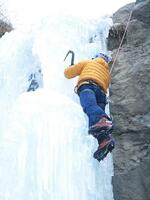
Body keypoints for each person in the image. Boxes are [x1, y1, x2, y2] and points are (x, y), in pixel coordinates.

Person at [64, 53, 115, 162]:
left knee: (90, 107)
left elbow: (68, 74)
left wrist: (69, 68)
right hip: (101, 94)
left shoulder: (88, 62)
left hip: (88, 86)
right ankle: (104, 140)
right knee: (95, 123)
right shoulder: (106, 72)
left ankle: (104, 120)